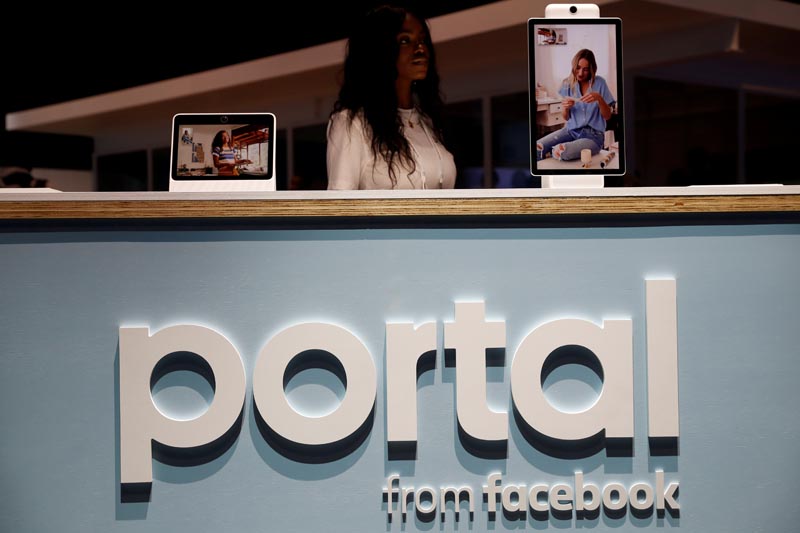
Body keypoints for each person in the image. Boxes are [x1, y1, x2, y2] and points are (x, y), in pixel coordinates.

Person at [326, 5, 456, 190]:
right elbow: (339, 206)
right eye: (405, 41)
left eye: (422, 40)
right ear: (379, 51)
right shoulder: (352, 124)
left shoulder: (428, 123)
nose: (420, 49)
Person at [536, 49, 616, 162]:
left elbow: (607, 116)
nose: (580, 73)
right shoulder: (567, 84)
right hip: (570, 131)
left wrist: (599, 98)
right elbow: (566, 117)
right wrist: (565, 107)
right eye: (578, 68)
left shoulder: (600, 83)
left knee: (562, 151)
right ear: (573, 66)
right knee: (537, 147)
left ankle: (557, 151)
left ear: (591, 69)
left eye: (586, 69)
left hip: (593, 136)